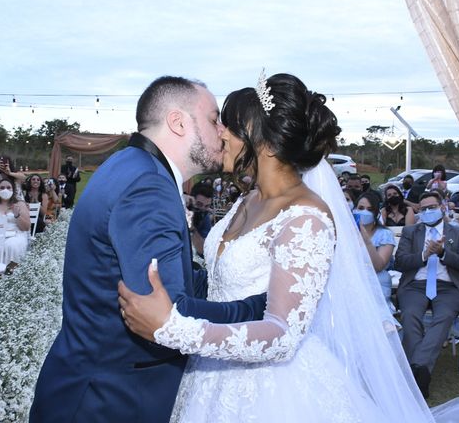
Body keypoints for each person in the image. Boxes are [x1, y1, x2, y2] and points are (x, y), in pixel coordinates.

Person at [118, 73, 434, 422]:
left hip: (272, 391)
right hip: (208, 371)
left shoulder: (306, 217)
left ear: (260, 140)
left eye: (230, 126)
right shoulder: (246, 200)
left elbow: (284, 334)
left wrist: (173, 329)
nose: (220, 133)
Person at [30, 76, 267, 423]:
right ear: (178, 121)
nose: (222, 131)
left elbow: (167, 278)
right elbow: (172, 312)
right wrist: (265, 305)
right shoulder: (148, 186)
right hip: (108, 400)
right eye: (214, 119)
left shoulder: (129, 165)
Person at [394, 191, 459, 397]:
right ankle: (421, 373)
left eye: (432, 207)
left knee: (444, 317)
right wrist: (424, 254)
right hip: (415, 285)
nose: (429, 211)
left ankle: (417, 369)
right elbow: (401, 262)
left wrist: (443, 253)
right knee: (410, 316)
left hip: (447, 286)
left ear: (442, 207)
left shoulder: (458, 232)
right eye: (424, 208)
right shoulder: (411, 232)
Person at [354, 192, 396, 311]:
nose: (364, 212)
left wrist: (366, 240)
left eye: (370, 209)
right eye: (361, 208)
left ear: (376, 213)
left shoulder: (384, 234)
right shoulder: (346, 233)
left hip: (376, 280)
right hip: (352, 278)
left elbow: (378, 266)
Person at [0, 175, 30, 265]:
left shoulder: (20, 204)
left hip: (16, 234)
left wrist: (17, 215)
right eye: (2, 188)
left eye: (8, 187)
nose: (5, 190)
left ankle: (12, 275)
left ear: (13, 190)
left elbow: (26, 227)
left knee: (11, 246)